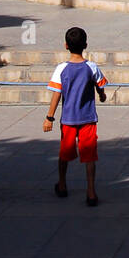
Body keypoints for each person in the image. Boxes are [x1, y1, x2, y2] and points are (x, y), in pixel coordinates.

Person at [44, 27, 107, 206]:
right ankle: (91, 192)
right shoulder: (91, 67)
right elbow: (99, 85)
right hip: (88, 118)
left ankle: (62, 185)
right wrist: (101, 95)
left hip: (68, 120)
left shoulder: (61, 69)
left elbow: (56, 94)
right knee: (89, 156)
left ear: (65, 45)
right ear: (85, 45)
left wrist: (49, 117)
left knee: (65, 153)